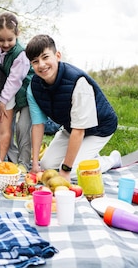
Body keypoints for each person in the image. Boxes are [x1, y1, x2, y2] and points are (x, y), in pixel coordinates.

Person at [25, 34, 121, 181]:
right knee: (47, 164)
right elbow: (38, 124)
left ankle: (112, 160)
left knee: (74, 171)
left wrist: (65, 170)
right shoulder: (34, 87)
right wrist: (35, 165)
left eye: (45, 57)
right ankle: (88, 154)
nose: (41, 64)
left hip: (100, 128)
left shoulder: (78, 82)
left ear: (57, 55)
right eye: (35, 61)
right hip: (71, 127)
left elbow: (80, 130)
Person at [0, 13, 34, 171]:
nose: (5, 43)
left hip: (26, 95)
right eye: (1, 40)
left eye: (10, 39)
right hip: (11, 96)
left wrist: (2, 102)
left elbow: (14, 80)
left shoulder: (20, 54)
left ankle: (24, 162)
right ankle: (11, 158)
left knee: (23, 127)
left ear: (17, 34)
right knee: (3, 126)